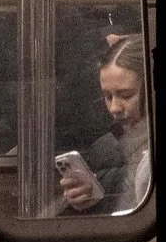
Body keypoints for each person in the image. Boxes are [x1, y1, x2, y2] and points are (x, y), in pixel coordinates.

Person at [60, 33, 151, 215]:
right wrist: (90, 198)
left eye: (126, 95)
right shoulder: (108, 148)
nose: (114, 108)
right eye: (108, 97)